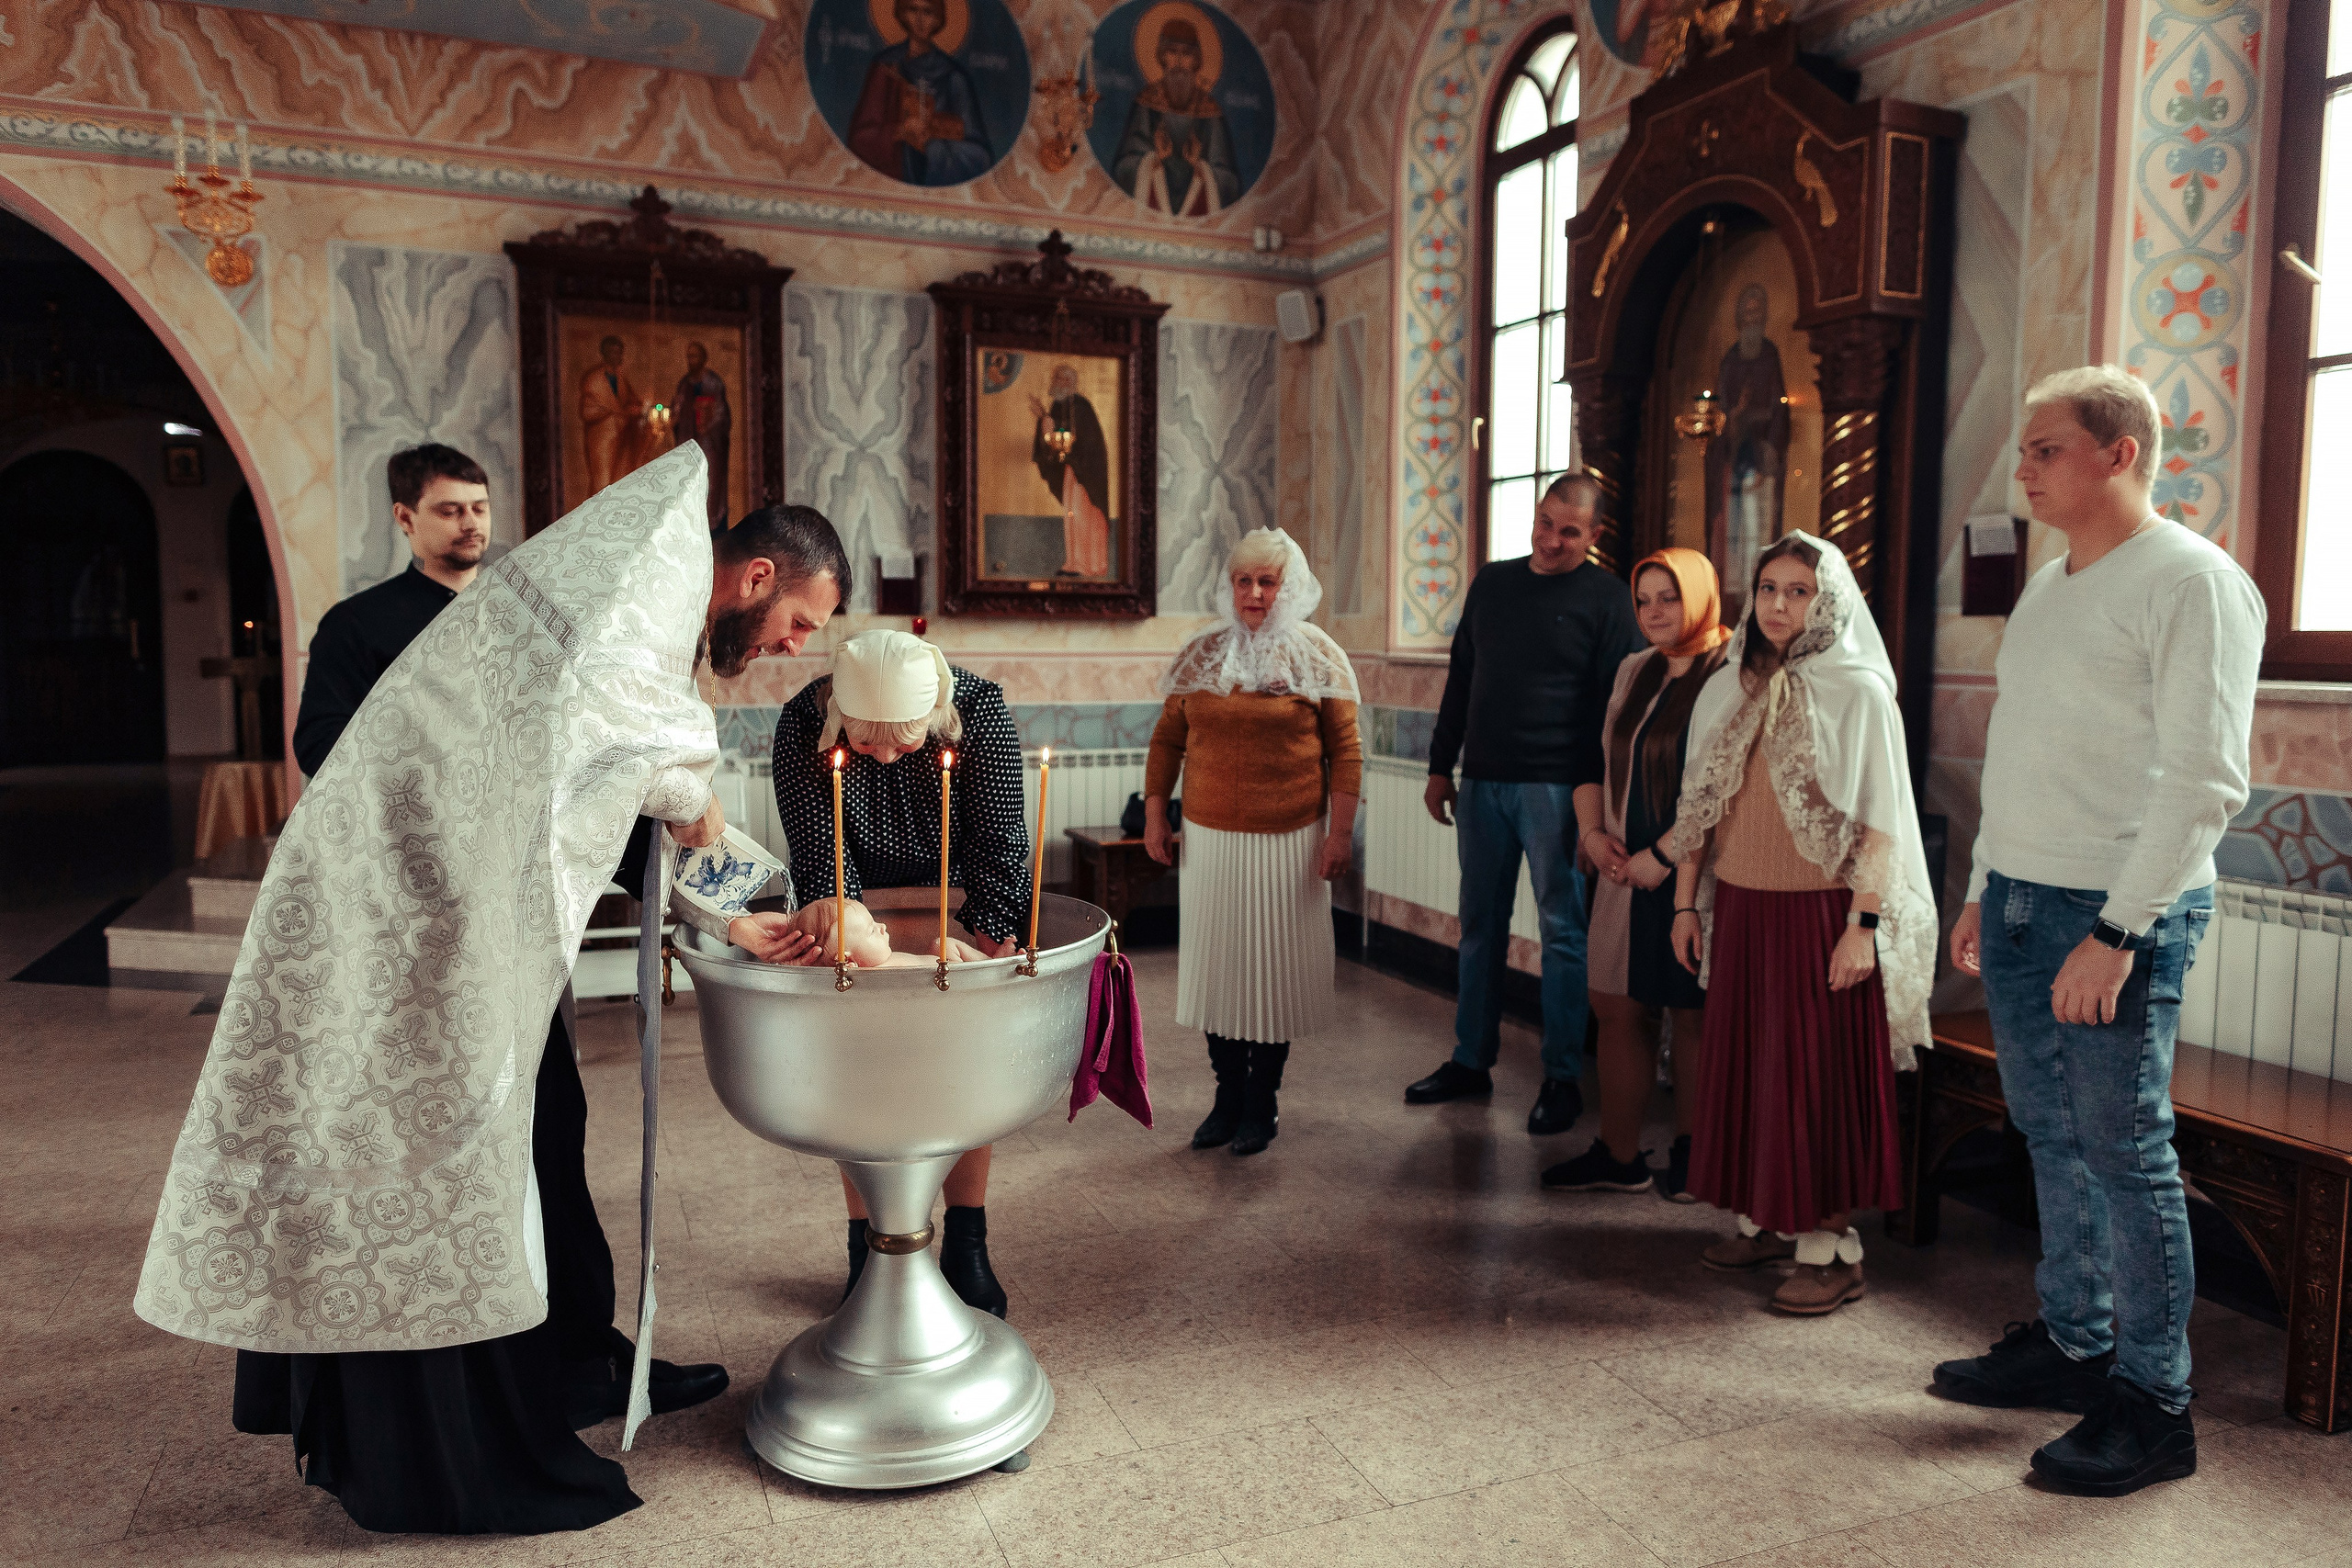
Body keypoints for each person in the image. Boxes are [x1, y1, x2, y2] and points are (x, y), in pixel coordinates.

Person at [137, 447, 847, 1535]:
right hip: (414, 924)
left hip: (471, 921)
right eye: (800, 622)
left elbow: (620, 775)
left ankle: (568, 1366)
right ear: (757, 577)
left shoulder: (631, 600)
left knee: (546, 1126)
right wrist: (735, 881)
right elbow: (653, 764)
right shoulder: (636, 596)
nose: (793, 651)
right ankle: (443, 1448)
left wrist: (737, 900)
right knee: (445, 1153)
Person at [1935, 366, 2263, 1496]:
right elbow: (2020, 752)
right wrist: (1984, 883)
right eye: (2025, 451)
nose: (2021, 469)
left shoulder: (2192, 583)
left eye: (2043, 450)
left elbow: (2205, 780)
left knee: (2127, 1157)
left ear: (2119, 454)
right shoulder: (2050, 586)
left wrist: (2119, 932)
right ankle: (2075, 1343)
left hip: (2117, 912)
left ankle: (2154, 1405)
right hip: (2026, 899)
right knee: (2046, 1133)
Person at [1657, 533, 1937, 1317]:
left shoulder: (1858, 690)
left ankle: (1832, 1248)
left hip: (1821, 915)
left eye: (1799, 591)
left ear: (1829, 601)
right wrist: (1687, 903)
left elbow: (1881, 822)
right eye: (1769, 588)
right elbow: (1699, 806)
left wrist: (1863, 924)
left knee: (1815, 1077)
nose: (1779, 605)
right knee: (1750, 1067)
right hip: (1742, 907)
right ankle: (1769, 1222)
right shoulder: (1729, 683)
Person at [770, 629, 1031, 1316]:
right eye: (866, 744)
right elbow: (823, 857)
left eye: (906, 745)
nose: (884, 756)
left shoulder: (981, 711)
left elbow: (999, 838)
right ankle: (866, 1243)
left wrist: (994, 929)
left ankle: (967, 1240)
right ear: (838, 718)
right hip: (856, 903)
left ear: (936, 719)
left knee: (964, 1068)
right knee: (864, 1072)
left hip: (955, 895)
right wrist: (856, 939)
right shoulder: (803, 723)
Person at [1407, 472, 1644, 1136]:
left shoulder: (1608, 600)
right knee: (1478, 923)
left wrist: (1597, 814)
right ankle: (1470, 1058)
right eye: (1545, 523)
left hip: (1558, 791)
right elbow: (1462, 677)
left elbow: (1615, 712)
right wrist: (1438, 765)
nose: (1551, 540)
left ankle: (1563, 1075)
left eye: (1570, 531)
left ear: (1594, 536)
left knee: (1563, 933)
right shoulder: (1493, 582)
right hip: (1482, 780)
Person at [1143, 527, 1362, 1156]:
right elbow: (1167, 741)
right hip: (1210, 839)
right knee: (1220, 972)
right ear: (1229, 585)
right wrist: (1158, 815)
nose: (1255, 592)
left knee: (1273, 973)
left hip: (1290, 840)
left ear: (1290, 588)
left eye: (1269, 581)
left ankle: (1261, 1101)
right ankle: (1225, 1096)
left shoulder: (1319, 656)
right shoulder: (1201, 654)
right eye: (1245, 580)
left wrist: (1339, 833)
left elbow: (1346, 750)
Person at [1544, 547, 1729, 1200]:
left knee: (1692, 1011)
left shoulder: (1734, 670)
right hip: (1624, 866)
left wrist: (1666, 855)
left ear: (1703, 596)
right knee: (1617, 1003)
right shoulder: (1633, 669)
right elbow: (1593, 757)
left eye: (1669, 597)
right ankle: (1619, 1153)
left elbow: (1726, 786)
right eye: (1644, 598)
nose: (1654, 612)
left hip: (1694, 870)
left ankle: (1694, 1155)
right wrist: (1594, 835)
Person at [291, 444, 491, 777]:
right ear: (405, 517)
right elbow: (319, 743)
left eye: (480, 509)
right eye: (450, 511)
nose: (471, 523)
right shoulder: (354, 623)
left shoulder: (518, 609)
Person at [844, 0, 994, 186]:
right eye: (913, 10)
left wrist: (932, 146)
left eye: (928, 12)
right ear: (902, 14)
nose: (920, 20)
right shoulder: (886, 68)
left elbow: (980, 154)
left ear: (938, 19)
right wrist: (901, 131)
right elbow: (859, 139)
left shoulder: (954, 77)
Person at [1112, 11, 1242, 218]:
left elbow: (1229, 181)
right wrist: (1154, 159)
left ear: (1196, 60)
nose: (1180, 61)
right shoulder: (1146, 102)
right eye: (1172, 52)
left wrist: (1199, 167)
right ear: (1162, 56)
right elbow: (1123, 167)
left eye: (1187, 53)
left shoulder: (1209, 110)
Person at [1028, 362, 1113, 577]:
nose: (1056, 383)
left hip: (1087, 472)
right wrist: (1044, 418)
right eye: (1055, 378)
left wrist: (1046, 421)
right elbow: (1057, 436)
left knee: (1086, 514)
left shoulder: (1081, 406)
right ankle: (1075, 563)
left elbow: (1077, 438)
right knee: (1072, 515)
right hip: (1071, 469)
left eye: (1060, 379)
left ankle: (1092, 565)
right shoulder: (1059, 406)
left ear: (1069, 383)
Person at [672, 342, 731, 532]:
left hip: (709, 444)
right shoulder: (684, 383)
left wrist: (708, 424)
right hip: (688, 440)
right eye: (689, 356)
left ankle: (710, 528)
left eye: (695, 356)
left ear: (703, 358)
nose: (691, 361)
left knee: (710, 486)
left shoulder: (713, 382)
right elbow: (676, 410)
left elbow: (722, 414)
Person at [580, 335, 648, 492]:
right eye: (613, 352)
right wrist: (617, 412)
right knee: (602, 483)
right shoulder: (594, 379)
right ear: (605, 353)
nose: (617, 356)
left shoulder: (620, 378)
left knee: (619, 481)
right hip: (601, 439)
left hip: (621, 437)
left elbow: (631, 400)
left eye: (619, 353)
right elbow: (588, 411)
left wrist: (637, 408)